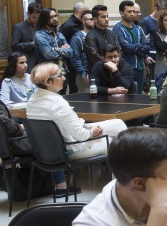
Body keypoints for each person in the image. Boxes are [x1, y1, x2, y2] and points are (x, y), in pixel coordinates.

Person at [26, 63, 127, 195]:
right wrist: (92, 132)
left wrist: (87, 126)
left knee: (118, 124)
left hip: (48, 151)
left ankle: (123, 185)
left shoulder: (32, 101)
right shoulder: (57, 103)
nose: (64, 78)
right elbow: (81, 136)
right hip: (71, 150)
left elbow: (60, 124)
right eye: (60, 75)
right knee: (118, 142)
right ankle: (121, 188)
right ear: (48, 82)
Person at [113, 0, 152, 94]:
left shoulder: (138, 28)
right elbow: (125, 47)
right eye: (129, 11)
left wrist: (135, 47)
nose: (132, 14)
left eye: (133, 11)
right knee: (126, 95)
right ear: (121, 13)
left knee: (138, 94)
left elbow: (147, 48)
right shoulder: (118, 28)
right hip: (126, 67)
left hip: (140, 67)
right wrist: (140, 45)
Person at [84, 4, 119, 70]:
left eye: (107, 16)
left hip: (114, 71)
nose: (106, 19)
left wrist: (116, 64)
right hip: (99, 73)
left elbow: (119, 51)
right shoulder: (90, 36)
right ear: (95, 19)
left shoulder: (112, 33)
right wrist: (111, 65)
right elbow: (95, 57)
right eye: (103, 17)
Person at [69, 9, 95, 93]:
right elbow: (75, 58)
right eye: (90, 20)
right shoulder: (77, 38)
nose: (93, 22)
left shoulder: (96, 35)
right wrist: (83, 74)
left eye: (94, 19)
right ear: (83, 21)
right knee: (87, 100)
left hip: (95, 73)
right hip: (84, 75)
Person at [10, 2, 41, 70]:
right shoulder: (18, 27)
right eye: (34, 17)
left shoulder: (40, 27)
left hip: (40, 63)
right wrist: (31, 44)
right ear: (28, 13)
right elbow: (15, 46)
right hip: (27, 63)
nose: (36, 19)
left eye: (38, 17)